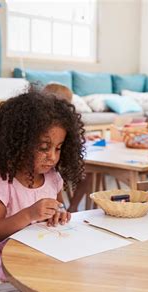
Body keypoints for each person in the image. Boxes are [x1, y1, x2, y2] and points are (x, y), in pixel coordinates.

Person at [0, 90, 85, 292]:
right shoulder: (0, 181)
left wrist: (58, 213)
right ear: (18, 142)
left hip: (43, 268)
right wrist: (29, 214)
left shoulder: (53, 178)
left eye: (58, 148)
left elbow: (56, 207)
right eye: (44, 147)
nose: (52, 156)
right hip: (1, 273)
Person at [42, 82, 94, 212]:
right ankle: (67, 207)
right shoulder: (40, 121)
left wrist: (84, 138)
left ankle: (72, 207)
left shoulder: (69, 121)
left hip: (63, 162)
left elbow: (71, 140)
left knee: (86, 172)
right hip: (53, 166)